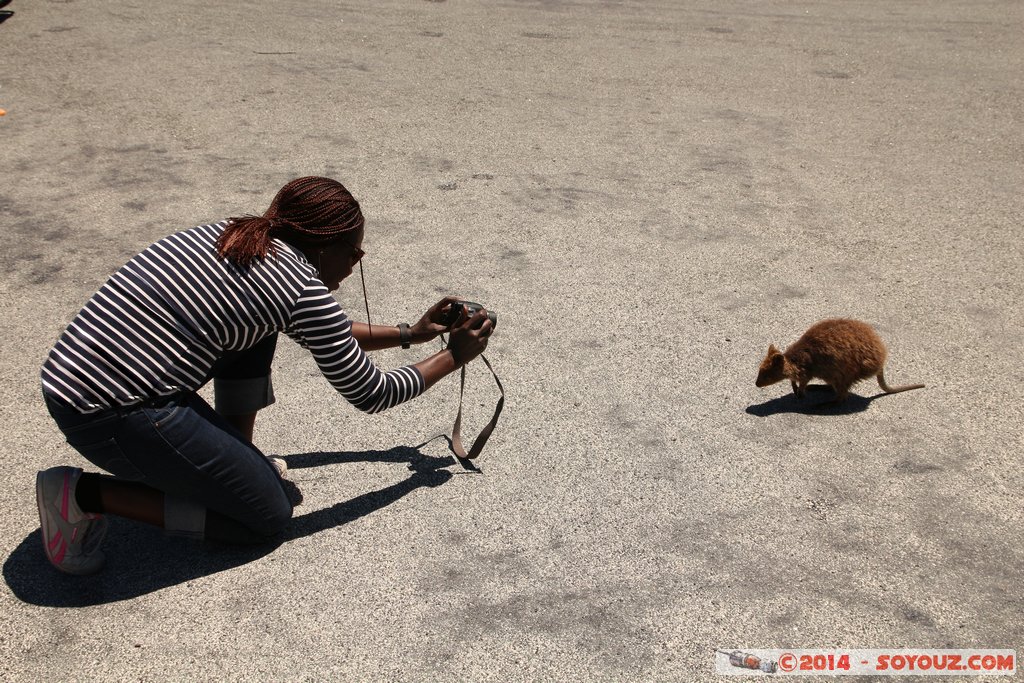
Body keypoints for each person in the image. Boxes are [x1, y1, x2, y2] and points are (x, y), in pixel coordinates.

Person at [36, 176, 493, 575]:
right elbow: (371, 393)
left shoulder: (241, 237)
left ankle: (237, 463)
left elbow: (326, 329)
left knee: (257, 334)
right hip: (108, 411)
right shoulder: (298, 287)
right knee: (263, 517)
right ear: (324, 247)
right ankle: (82, 494)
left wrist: (413, 333)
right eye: (355, 251)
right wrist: (453, 356)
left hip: (79, 377)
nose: (356, 262)